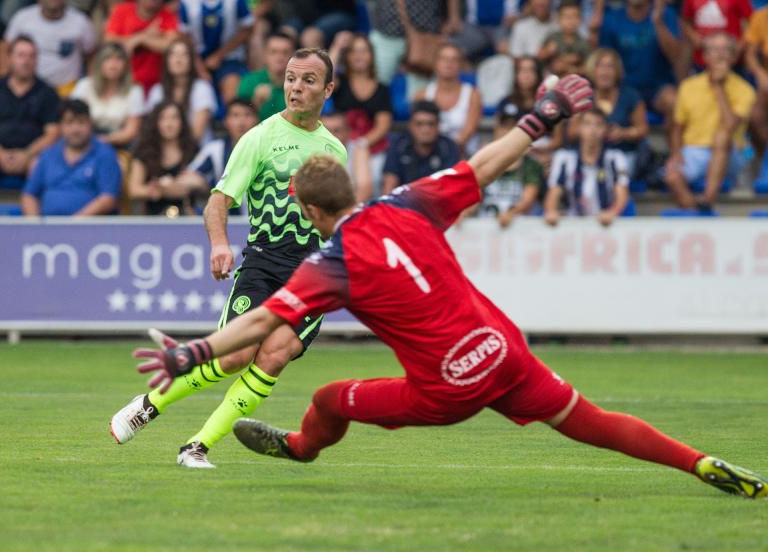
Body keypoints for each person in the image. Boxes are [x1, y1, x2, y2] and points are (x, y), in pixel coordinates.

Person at [132, 74, 768, 501]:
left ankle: (299, 451)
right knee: (589, 419)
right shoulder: (410, 203)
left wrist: (192, 352)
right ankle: (697, 462)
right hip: (502, 349)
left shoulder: (329, 265)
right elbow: (487, 164)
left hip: (447, 388)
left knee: (327, 399)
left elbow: (259, 322)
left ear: (305, 208)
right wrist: (544, 114)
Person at [110, 48, 347, 469]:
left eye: (309, 80)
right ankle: (150, 403)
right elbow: (217, 202)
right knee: (236, 354)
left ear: (328, 89)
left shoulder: (335, 150)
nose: (297, 87)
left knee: (274, 355)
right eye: (291, 78)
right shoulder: (259, 138)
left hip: (311, 272)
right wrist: (220, 244)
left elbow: (338, 219)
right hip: (263, 261)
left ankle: (196, 446)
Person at [664, 32, 754, 209]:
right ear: (705, 56)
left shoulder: (745, 90)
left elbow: (730, 126)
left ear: (734, 57)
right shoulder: (688, 86)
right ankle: (700, 212)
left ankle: (708, 198)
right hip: (695, 151)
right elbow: (677, 127)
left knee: (721, 137)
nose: (719, 54)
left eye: (725, 50)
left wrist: (719, 87)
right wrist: (676, 153)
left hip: (734, 154)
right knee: (672, 176)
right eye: (714, 50)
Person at [0, 36, 60, 181]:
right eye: (21, 55)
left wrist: (27, 154)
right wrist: (0, 154)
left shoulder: (48, 93)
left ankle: (33, 203)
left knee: (40, 167)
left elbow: (52, 134)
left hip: (32, 156)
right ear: (9, 58)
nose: (26, 61)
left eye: (32, 56)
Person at [21, 99, 122, 216]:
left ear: (91, 124)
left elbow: (108, 199)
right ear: (61, 126)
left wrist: (74, 225)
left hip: (91, 230)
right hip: (49, 230)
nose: (75, 129)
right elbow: (29, 195)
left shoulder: (105, 154)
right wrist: (35, 226)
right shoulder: (48, 154)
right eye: (69, 123)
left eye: (81, 122)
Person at [593, 0, 681, 123]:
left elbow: (676, 57)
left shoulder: (666, 14)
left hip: (657, 87)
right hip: (622, 87)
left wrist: (658, 22)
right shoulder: (612, 18)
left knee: (675, 104)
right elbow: (603, 60)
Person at [544, 108, 630, 227]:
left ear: (605, 129)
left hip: (604, 223)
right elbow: (554, 191)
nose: (593, 129)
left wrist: (612, 213)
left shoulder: (616, 158)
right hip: (572, 223)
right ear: (579, 128)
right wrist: (551, 211)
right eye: (587, 124)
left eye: (598, 124)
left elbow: (621, 193)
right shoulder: (564, 157)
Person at [330, 33, 393, 189]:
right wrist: (337, 47)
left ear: (371, 56)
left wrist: (361, 144)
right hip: (340, 147)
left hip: (372, 149)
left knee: (376, 174)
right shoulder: (340, 84)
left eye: (364, 51)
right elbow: (323, 77)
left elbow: (383, 126)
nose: (359, 56)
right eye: (354, 51)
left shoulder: (382, 89)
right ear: (347, 56)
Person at [468, 101, 543, 228]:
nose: (509, 132)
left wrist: (511, 213)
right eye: (504, 125)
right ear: (496, 128)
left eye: (515, 127)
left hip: (521, 230)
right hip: (484, 229)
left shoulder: (531, 164)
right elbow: (473, 195)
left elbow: (528, 200)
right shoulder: (483, 159)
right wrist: (464, 212)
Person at [177, 98, 259, 213]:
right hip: (223, 220)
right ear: (226, 121)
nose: (241, 122)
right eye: (235, 115)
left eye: (247, 115)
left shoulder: (269, 150)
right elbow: (188, 178)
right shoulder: (214, 149)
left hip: (262, 222)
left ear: (257, 120)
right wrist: (204, 184)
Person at [575, 49, 648, 176]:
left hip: (622, 153)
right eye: (600, 66)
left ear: (617, 72)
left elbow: (642, 129)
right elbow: (572, 131)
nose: (605, 72)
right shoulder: (583, 97)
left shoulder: (630, 96)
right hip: (588, 153)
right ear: (593, 71)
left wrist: (623, 133)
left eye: (610, 67)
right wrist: (594, 132)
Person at [5, 0, 98, 95]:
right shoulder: (22, 18)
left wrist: (89, 85)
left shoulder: (81, 22)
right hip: (28, 92)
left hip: (67, 92)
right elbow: (6, 49)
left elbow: (91, 54)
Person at [126, 100, 199, 216]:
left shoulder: (193, 151)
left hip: (187, 216)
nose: (169, 124)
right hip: (153, 218)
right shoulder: (143, 151)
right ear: (155, 123)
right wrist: (157, 190)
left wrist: (193, 184)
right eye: (163, 118)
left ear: (182, 122)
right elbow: (133, 190)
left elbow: (205, 184)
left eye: (174, 118)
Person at [70, 43, 145, 148]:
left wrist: (103, 141)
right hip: (84, 140)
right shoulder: (84, 85)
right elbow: (73, 119)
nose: (113, 64)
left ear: (126, 65)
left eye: (119, 59)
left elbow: (131, 131)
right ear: (99, 63)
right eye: (108, 59)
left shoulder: (134, 90)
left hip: (119, 144)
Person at [178, 0, 254, 104]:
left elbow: (248, 28)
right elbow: (184, 36)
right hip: (196, 59)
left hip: (230, 57)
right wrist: (199, 67)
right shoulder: (186, 3)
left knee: (232, 93)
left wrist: (219, 55)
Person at [143, 38, 218, 143]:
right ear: (166, 60)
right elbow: (152, 128)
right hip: (163, 152)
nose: (178, 59)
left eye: (184, 55)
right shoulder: (157, 91)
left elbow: (197, 134)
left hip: (197, 151)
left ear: (191, 61)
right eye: (173, 54)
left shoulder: (202, 88)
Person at [413, 43, 482, 155]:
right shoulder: (422, 95)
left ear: (461, 65)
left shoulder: (473, 95)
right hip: (429, 155)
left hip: (464, 155)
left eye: (454, 60)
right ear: (435, 63)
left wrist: (447, 154)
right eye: (443, 59)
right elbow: (416, 128)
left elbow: (469, 131)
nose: (448, 64)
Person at [382, 101, 460, 195]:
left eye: (431, 124)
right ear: (410, 126)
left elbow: (454, 188)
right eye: (419, 124)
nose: (425, 130)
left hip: (439, 203)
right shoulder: (399, 145)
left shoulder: (448, 147)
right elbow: (389, 185)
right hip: (404, 204)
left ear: (438, 126)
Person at [104, 0, 179, 93]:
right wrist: (145, 35)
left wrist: (140, 39)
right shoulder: (122, 10)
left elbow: (171, 45)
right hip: (124, 84)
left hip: (157, 87)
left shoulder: (168, 16)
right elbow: (110, 42)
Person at [236, 31, 295, 121]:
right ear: (265, 55)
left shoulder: (300, 85)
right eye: (273, 52)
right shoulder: (249, 81)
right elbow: (240, 123)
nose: (279, 57)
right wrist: (256, 103)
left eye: (285, 52)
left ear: (293, 57)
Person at [321, 112, 373, 202]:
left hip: (350, 207)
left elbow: (364, 190)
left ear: (348, 132)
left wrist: (346, 214)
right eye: (327, 131)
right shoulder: (311, 150)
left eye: (337, 131)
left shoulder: (358, 150)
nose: (331, 136)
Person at [681, 0, 751, 68]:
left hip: (731, 61)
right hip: (702, 59)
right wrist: (694, 36)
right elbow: (686, 21)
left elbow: (750, 23)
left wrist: (738, 48)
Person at [538, 0, 590, 76]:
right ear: (558, 19)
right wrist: (548, 52)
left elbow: (589, 68)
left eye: (575, 16)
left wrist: (570, 68)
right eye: (567, 17)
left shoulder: (583, 43)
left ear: (581, 19)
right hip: (553, 81)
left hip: (575, 83)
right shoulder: (552, 37)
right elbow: (539, 56)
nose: (571, 21)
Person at [744, 4, 768, 154]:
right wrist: (761, 76)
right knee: (755, 116)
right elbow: (750, 55)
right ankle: (761, 156)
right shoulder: (762, 16)